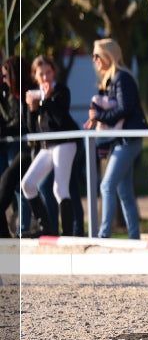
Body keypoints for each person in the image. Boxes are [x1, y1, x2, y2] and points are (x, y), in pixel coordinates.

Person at [89, 39, 148, 239]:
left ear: (108, 55)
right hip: (122, 140)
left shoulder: (121, 77)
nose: (94, 59)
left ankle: (103, 235)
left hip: (128, 140)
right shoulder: (112, 79)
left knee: (107, 185)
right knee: (125, 192)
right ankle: (134, 238)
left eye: (97, 55)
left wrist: (98, 116)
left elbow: (124, 108)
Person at [19, 55, 79, 236]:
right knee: (28, 184)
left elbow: (61, 119)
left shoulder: (61, 91)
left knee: (59, 189)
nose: (45, 78)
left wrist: (47, 99)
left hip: (65, 143)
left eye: (48, 73)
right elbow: (32, 130)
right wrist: (32, 108)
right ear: (35, 76)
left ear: (54, 72)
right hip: (47, 147)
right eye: (41, 74)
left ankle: (67, 234)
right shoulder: (36, 93)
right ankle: (45, 227)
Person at [0, 56, 30, 237]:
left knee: (20, 187)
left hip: (17, 144)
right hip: (5, 144)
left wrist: (4, 130)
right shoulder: (4, 91)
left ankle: (23, 228)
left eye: (5, 76)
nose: (3, 79)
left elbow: (19, 121)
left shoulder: (18, 93)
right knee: (4, 189)